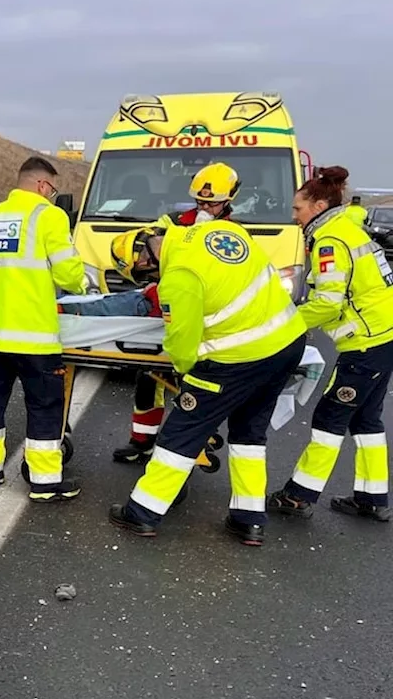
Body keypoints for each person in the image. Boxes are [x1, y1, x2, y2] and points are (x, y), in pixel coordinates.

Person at [106, 220, 307, 545]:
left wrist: (190, 379)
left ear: (144, 261)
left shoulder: (179, 277)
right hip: (288, 342)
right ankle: (248, 520)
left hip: (238, 358)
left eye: (148, 275)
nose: (154, 280)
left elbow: (183, 346)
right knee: (249, 436)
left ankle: (142, 512)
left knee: (183, 431)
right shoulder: (219, 231)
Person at [268, 168, 393, 522]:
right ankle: (372, 498)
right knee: (367, 419)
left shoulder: (330, 241)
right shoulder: (348, 228)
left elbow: (328, 302)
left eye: (297, 209)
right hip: (384, 335)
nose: (293, 216)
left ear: (319, 205)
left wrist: (285, 325)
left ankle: (298, 496)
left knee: (330, 416)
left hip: (366, 342)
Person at [0, 156, 85, 501]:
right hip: (33, 336)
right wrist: (80, 282)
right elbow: (68, 275)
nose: (51, 195)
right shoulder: (49, 216)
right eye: (52, 189)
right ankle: (45, 483)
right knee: (44, 406)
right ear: (43, 186)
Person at [113, 162, 243, 466]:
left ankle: (189, 446)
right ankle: (142, 441)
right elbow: (145, 240)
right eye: (200, 201)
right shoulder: (173, 221)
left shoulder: (231, 235)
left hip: (204, 316)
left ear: (228, 199)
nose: (204, 207)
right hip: (166, 306)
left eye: (211, 203)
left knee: (194, 388)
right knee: (148, 380)